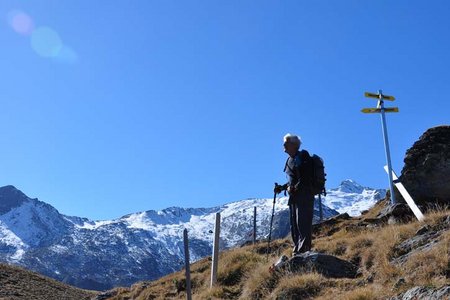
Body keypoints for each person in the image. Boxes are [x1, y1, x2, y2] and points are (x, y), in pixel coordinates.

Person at [274, 133, 315, 255]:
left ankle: (304, 250)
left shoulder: (303, 157)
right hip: (295, 197)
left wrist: (294, 187)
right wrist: (282, 188)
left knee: (302, 223)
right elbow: (293, 179)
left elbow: (305, 177)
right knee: (295, 225)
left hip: (304, 196)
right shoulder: (290, 160)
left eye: (286, 143)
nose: (283, 145)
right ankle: (298, 249)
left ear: (293, 145)